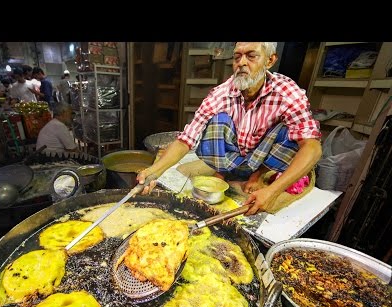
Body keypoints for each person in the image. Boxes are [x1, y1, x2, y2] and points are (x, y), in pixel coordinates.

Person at [137, 42, 322, 216]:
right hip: (233, 154)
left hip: (263, 157)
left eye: (251, 56)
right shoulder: (220, 94)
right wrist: (154, 171)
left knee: (291, 132)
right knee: (217, 120)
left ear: (270, 60)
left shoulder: (287, 93)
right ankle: (222, 172)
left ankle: (257, 176)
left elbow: (312, 148)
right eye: (237, 57)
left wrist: (272, 191)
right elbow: (186, 139)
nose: (241, 63)